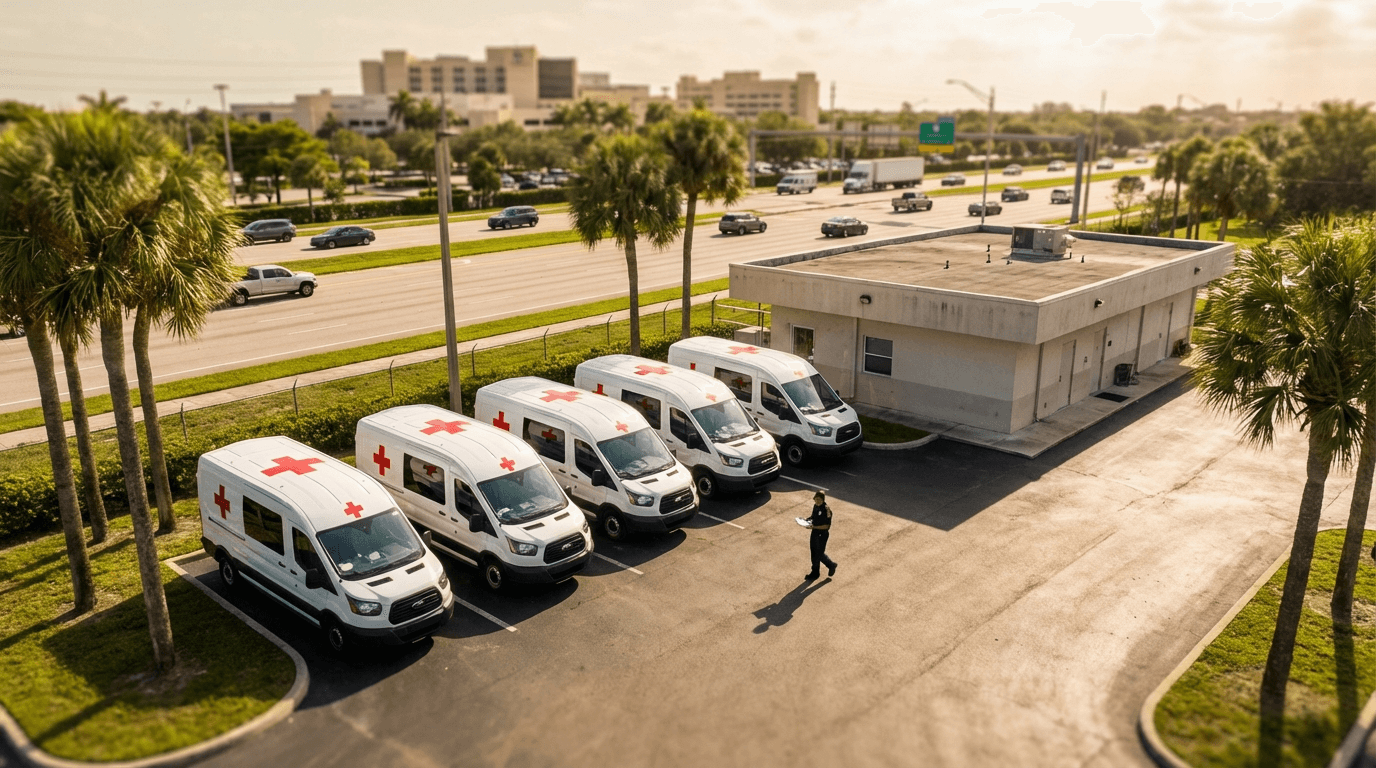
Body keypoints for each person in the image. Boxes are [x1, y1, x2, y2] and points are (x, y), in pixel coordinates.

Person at [804, 491, 837, 580]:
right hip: (815, 533)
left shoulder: (827, 510)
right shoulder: (815, 506)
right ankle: (815, 572)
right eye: (816, 499)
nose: (817, 501)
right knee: (813, 553)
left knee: (819, 553)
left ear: (823, 500)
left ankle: (831, 565)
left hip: (822, 535)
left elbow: (827, 526)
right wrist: (807, 520)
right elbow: (813, 516)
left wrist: (814, 526)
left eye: (819, 499)